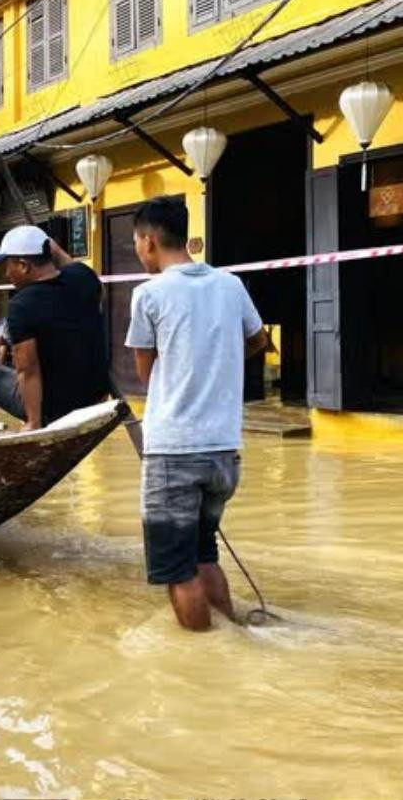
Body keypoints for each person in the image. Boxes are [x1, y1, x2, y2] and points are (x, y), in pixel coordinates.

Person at [124, 197, 271, 632]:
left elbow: (146, 371)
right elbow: (258, 340)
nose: (137, 251)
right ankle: (234, 639)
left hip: (174, 452)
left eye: (136, 243)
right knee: (205, 553)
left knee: (178, 570)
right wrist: (218, 359)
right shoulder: (231, 285)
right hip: (224, 452)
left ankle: (205, 660)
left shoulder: (147, 294)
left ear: (149, 241)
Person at [0, 225, 108, 436]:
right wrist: (48, 245)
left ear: (23, 265)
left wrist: (33, 422)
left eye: (8, 266)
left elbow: (27, 369)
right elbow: (64, 259)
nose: (6, 274)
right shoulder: (84, 278)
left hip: (54, 408)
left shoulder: (22, 305)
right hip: (95, 398)